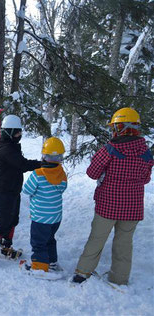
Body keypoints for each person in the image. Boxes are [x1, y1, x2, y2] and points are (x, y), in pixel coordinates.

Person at [71, 108, 153, 285]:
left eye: (116, 126)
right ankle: (119, 279)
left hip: (107, 206)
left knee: (96, 240)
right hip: (133, 208)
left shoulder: (110, 149)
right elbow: (145, 179)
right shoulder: (146, 153)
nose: (114, 130)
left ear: (122, 127)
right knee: (124, 244)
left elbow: (92, 173)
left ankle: (82, 273)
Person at [0, 115, 41, 266]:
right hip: (4, 192)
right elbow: (23, 164)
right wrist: (41, 164)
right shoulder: (6, 149)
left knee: (13, 220)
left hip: (12, 190)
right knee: (3, 223)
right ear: (10, 133)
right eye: (17, 133)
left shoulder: (10, 145)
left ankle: (6, 246)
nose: (20, 136)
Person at [21, 137, 67, 273]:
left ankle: (40, 266)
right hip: (55, 217)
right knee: (50, 239)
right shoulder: (61, 173)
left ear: (44, 156)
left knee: (38, 242)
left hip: (41, 217)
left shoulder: (38, 174)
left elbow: (26, 190)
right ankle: (52, 262)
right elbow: (63, 188)